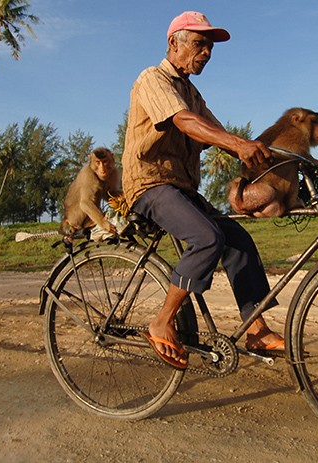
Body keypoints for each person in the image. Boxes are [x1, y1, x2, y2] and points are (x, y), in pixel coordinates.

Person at [122, 11, 283, 369]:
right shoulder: (153, 79)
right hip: (150, 185)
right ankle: (162, 320)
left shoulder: (192, 93)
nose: (206, 52)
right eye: (199, 43)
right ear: (173, 44)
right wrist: (237, 144)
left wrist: (267, 157)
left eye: (209, 46)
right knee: (208, 237)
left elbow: (219, 133)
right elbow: (185, 121)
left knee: (237, 239)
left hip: (182, 188)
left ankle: (255, 327)